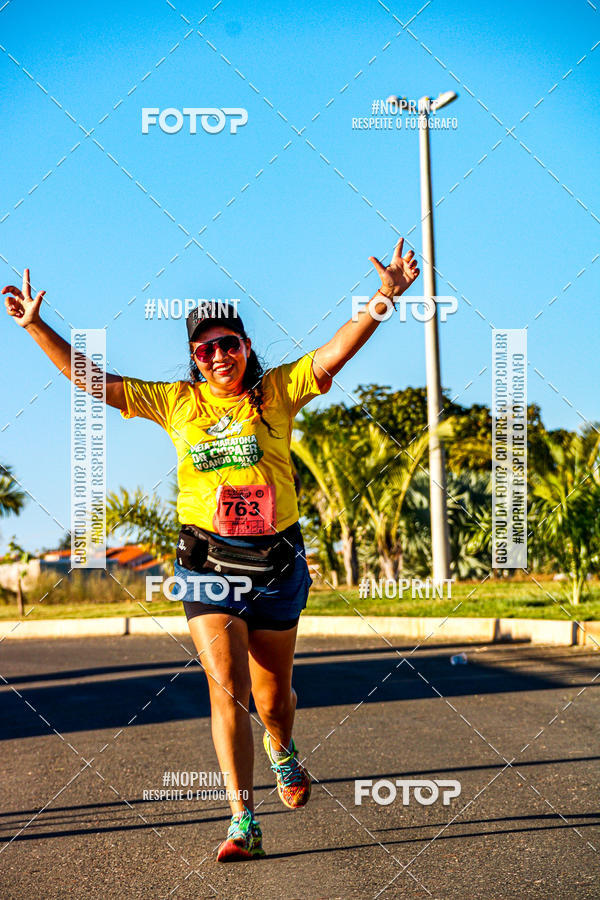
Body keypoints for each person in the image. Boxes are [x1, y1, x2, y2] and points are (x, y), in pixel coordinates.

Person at [2, 238, 419, 860]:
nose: (219, 355)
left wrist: (385, 297)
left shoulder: (277, 392)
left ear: (246, 347)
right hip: (206, 564)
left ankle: (282, 748)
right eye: (206, 349)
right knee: (227, 688)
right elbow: (95, 381)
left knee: (274, 700)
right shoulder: (177, 403)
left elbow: (339, 348)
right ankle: (242, 821)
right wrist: (38, 326)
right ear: (195, 360)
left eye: (229, 343)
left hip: (276, 563)